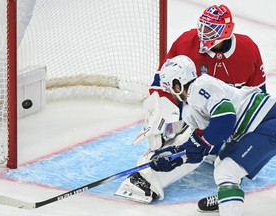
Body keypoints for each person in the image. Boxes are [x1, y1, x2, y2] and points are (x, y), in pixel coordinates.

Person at [115, 4, 267, 210]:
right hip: (195, 112)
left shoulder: (248, 49)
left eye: (211, 29)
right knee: (185, 140)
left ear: (227, 30)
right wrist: (160, 116)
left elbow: (258, 95)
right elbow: (162, 82)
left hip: (235, 119)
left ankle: (225, 184)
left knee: (223, 163)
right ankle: (147, 177)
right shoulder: (186, 42)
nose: (204, 34)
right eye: (203, 27)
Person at [148, 55, 276, 216]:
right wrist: (175, 156)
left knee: (227, 171)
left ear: (177, 83)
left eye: (168, 87)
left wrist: (199, 142)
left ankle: (229, 203)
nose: (169, 92)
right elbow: (201, 146)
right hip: (250, 128)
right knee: (221, 163)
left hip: (266, 122)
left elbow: (225, 120)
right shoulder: (190, 110)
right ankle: (227, 197)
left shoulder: (201, 86)